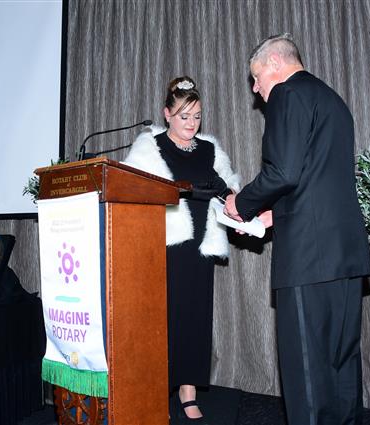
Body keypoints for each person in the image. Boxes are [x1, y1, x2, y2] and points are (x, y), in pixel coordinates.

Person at [224, 34, 370, 425]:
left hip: (309, 257)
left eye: (256, 77)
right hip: (344, 252)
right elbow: (317, 178)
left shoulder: (287, 94)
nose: (255, 89)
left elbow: (284, 172)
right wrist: (272, 216)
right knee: (341, 363)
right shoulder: (331, 100)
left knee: (307, 370)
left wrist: (241, 203)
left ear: (275, 63)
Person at [124, 76, 239, 423]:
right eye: (184, 116)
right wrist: (181, 190)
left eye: (197, 116)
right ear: (167, 114)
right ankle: (156, 391)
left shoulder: (209, 149)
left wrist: (230, 197)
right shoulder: (151, 147)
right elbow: (132, 191)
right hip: (163, 246)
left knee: (194, 319)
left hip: (200, 246)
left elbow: (228, 189)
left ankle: (189, 393)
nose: (191, 124)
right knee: (162, 321)